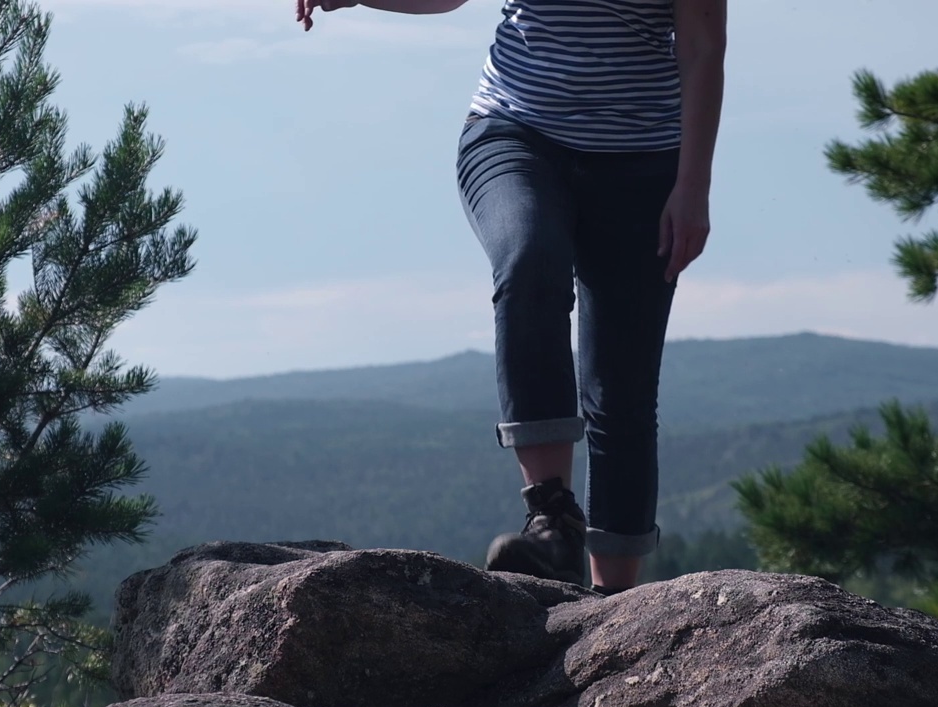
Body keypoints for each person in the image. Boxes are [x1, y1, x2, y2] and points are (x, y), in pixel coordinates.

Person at [297, 0, 726, 595]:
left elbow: (704, 46)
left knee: (620, 388)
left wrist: (693, 185)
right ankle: (553, 519)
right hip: (515, 131)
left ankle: (615, 606)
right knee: (529, 261)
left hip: (642, 161)